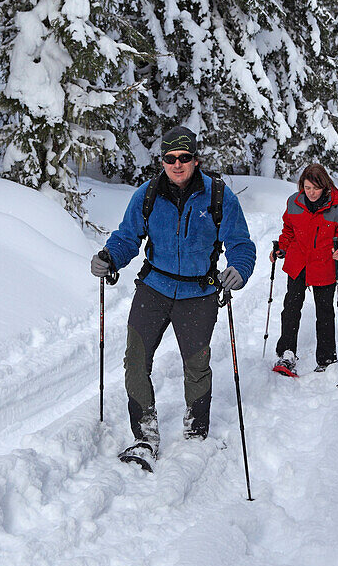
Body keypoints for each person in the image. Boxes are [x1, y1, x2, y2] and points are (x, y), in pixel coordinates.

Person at [90, 126, 256, 466]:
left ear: (195, 160)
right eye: (170, 158)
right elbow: (127, 237)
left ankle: (196, 431)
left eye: (183, 158)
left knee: (195, 365)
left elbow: (241, 244)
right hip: (154, 288)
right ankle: (144, 435)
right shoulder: (147, 195)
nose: (177, 165)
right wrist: (109, 256)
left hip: (199, 292)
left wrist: (239, 269)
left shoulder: (219, 197)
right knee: (135, 362)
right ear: (162, 160)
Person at [271, 164, 338, 376]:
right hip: (298, 262)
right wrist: (281, 248)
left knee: (324, 312)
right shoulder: (294, 203)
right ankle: (287, 353)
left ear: (325, 187)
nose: (310, 192)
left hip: (324, 265)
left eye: (315, 188)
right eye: (307, 187)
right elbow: (288, 230)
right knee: (291, 308)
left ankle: (326, 357)